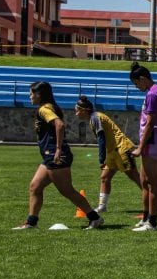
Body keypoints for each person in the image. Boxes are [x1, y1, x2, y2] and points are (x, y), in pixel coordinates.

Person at [14, 82, 103, 230]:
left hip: (55, 155)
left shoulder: (44, 109)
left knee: (67, 190)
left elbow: (59, 125)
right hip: (50, 156)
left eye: (31, 93)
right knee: (35, 186)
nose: (30, 96)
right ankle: (31, 223)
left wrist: (57, 149)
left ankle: (95, 218)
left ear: (39, 94)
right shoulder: (50, 107)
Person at [73, 96, 142, 214]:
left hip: (121, 149)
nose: (76, 113)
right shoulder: (94, 117)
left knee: (135, 177)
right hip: (112, 151)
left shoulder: (95, 117)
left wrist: (101, 159)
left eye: (77, 110)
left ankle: (151, 204)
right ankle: (102, 206)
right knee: (105, 178)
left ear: (84, 110)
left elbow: (101, 138)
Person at [129, 62, 157, 232]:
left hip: (153, 143)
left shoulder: (153, 94)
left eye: (136, 83)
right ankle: (146, 217)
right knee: (144, 181)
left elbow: (150, 122)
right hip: (152, 142)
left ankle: (152, 222)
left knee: (153, 183)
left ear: (143, 79)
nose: (136, 87)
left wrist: (140, 146)